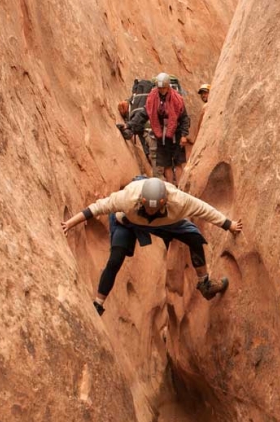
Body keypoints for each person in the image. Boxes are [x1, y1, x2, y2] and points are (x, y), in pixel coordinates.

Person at [61, 177, 243, 316]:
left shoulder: (178, 201)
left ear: (164, 203)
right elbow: (96, 208)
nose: (149, 210)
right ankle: (98, 304)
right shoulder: (128, 198)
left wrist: (229, 225)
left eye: (153, 208)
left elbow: (205, 210)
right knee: (116, 257)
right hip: (127, 221)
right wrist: (69, 223)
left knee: (194, 237)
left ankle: (205, 284)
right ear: (141, 200)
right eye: (147, 206)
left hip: (164, 221)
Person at [147, 73, 190, 184]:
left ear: (168, 86)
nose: (161, 90)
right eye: (160, 88)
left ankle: (180, 189)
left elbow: (184, 117)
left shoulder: (177, 99)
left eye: (164, 88)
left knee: (178, 162)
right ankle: (170, 187)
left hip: (176, 132)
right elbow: (148, 112)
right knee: (166, 164)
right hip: (161, 134)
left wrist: (184, 135)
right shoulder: (152, 98)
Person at [116, 100, 160, 177]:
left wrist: (129, 128)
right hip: (149, 131)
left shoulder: (134, 111)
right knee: (152, 154)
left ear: (124, 109)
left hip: (147, 132)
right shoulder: (134, 107)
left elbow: (138, 124)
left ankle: (157, 174)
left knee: (152, 154)